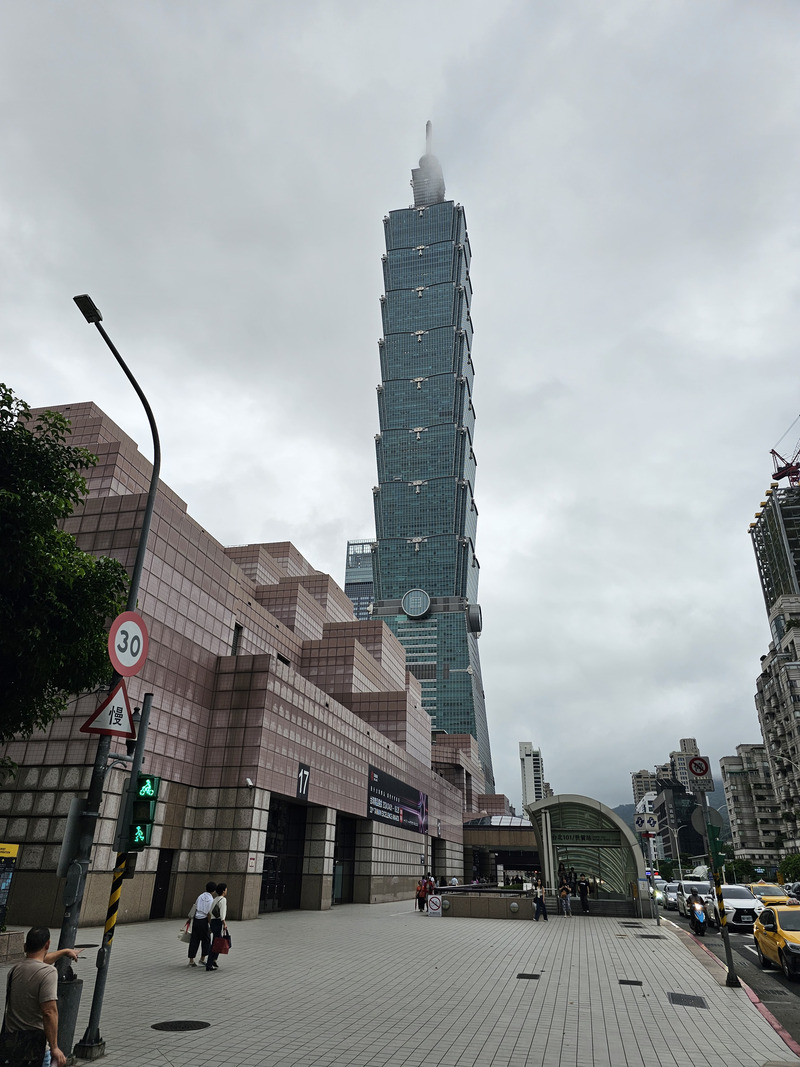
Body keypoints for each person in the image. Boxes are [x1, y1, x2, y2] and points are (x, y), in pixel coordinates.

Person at [1, 927, 71, 1067]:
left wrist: (64, 952)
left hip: (11, 1044)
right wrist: (55, 1047)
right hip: (34, 1047)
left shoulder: (14, 970)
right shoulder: (48, 973)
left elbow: (37, 961)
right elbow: (49, 1011)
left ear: (25, 946)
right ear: (47, 944)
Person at [187, 881, 216, 966]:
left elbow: (194, 907)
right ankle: (202, 959)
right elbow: (209, 914)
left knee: (194, 940)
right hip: (204, 921)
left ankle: (191, 960)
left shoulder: (200, 896)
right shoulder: (211, 900)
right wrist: (211, 925)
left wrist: (189, 919)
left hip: (196, 920)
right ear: (214, 891)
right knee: (206, 940)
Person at [205, 883, 228, 971]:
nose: (226, 890)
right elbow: (222, 913)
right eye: (226, 889)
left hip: (213, 922)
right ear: (223, 891)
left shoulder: (215, 899)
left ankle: (213, 960)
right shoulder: (223, 900)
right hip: (218, 922)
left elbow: (210, 912)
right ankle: (209, 963)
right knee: (216, 943)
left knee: (217, 941)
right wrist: (224, 923)